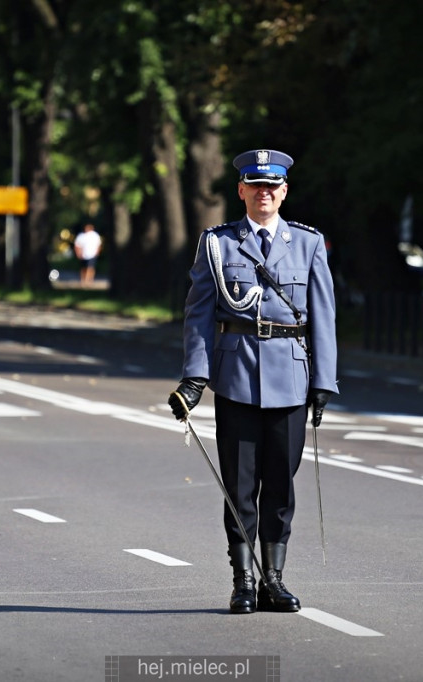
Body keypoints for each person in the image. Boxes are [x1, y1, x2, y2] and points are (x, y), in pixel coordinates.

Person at [168, 149, 338, 614]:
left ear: (283, 192)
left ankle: (275, 580)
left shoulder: (308, 244)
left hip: (290, 381)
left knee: (281, 487)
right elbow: (199, 314)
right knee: (240, 487)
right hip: (238, 377)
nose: (264, 194)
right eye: (255, 186)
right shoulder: (218, 244)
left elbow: (323, 315)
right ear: (241, 191)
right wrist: (194, 379)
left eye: (272, 187)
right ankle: (244, 580)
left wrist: (323, 381)